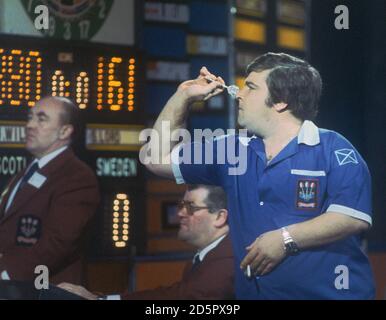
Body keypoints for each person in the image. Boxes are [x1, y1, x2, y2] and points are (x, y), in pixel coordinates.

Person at [142, 52, 375, 299]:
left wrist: (286, 239)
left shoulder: (333, 149)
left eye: (251, 87)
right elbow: (154, 159)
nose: (239, 94)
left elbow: (352, 216)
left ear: (281, 100)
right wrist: (183, 97)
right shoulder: (231, 150)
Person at [59, 184, 234, 300]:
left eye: (191, 207)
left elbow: (183, 297)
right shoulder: (206, 257)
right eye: (181, 205)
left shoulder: (227, 259)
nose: (180, 213)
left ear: (220, 217)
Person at [0, 96, 99, 285]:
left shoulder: (77, 177)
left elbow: (58, 243)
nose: (30, 124)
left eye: (41, 119)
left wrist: (6, 274)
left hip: (43, 290)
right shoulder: (25, 172)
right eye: (30, 117)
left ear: (64, 131)